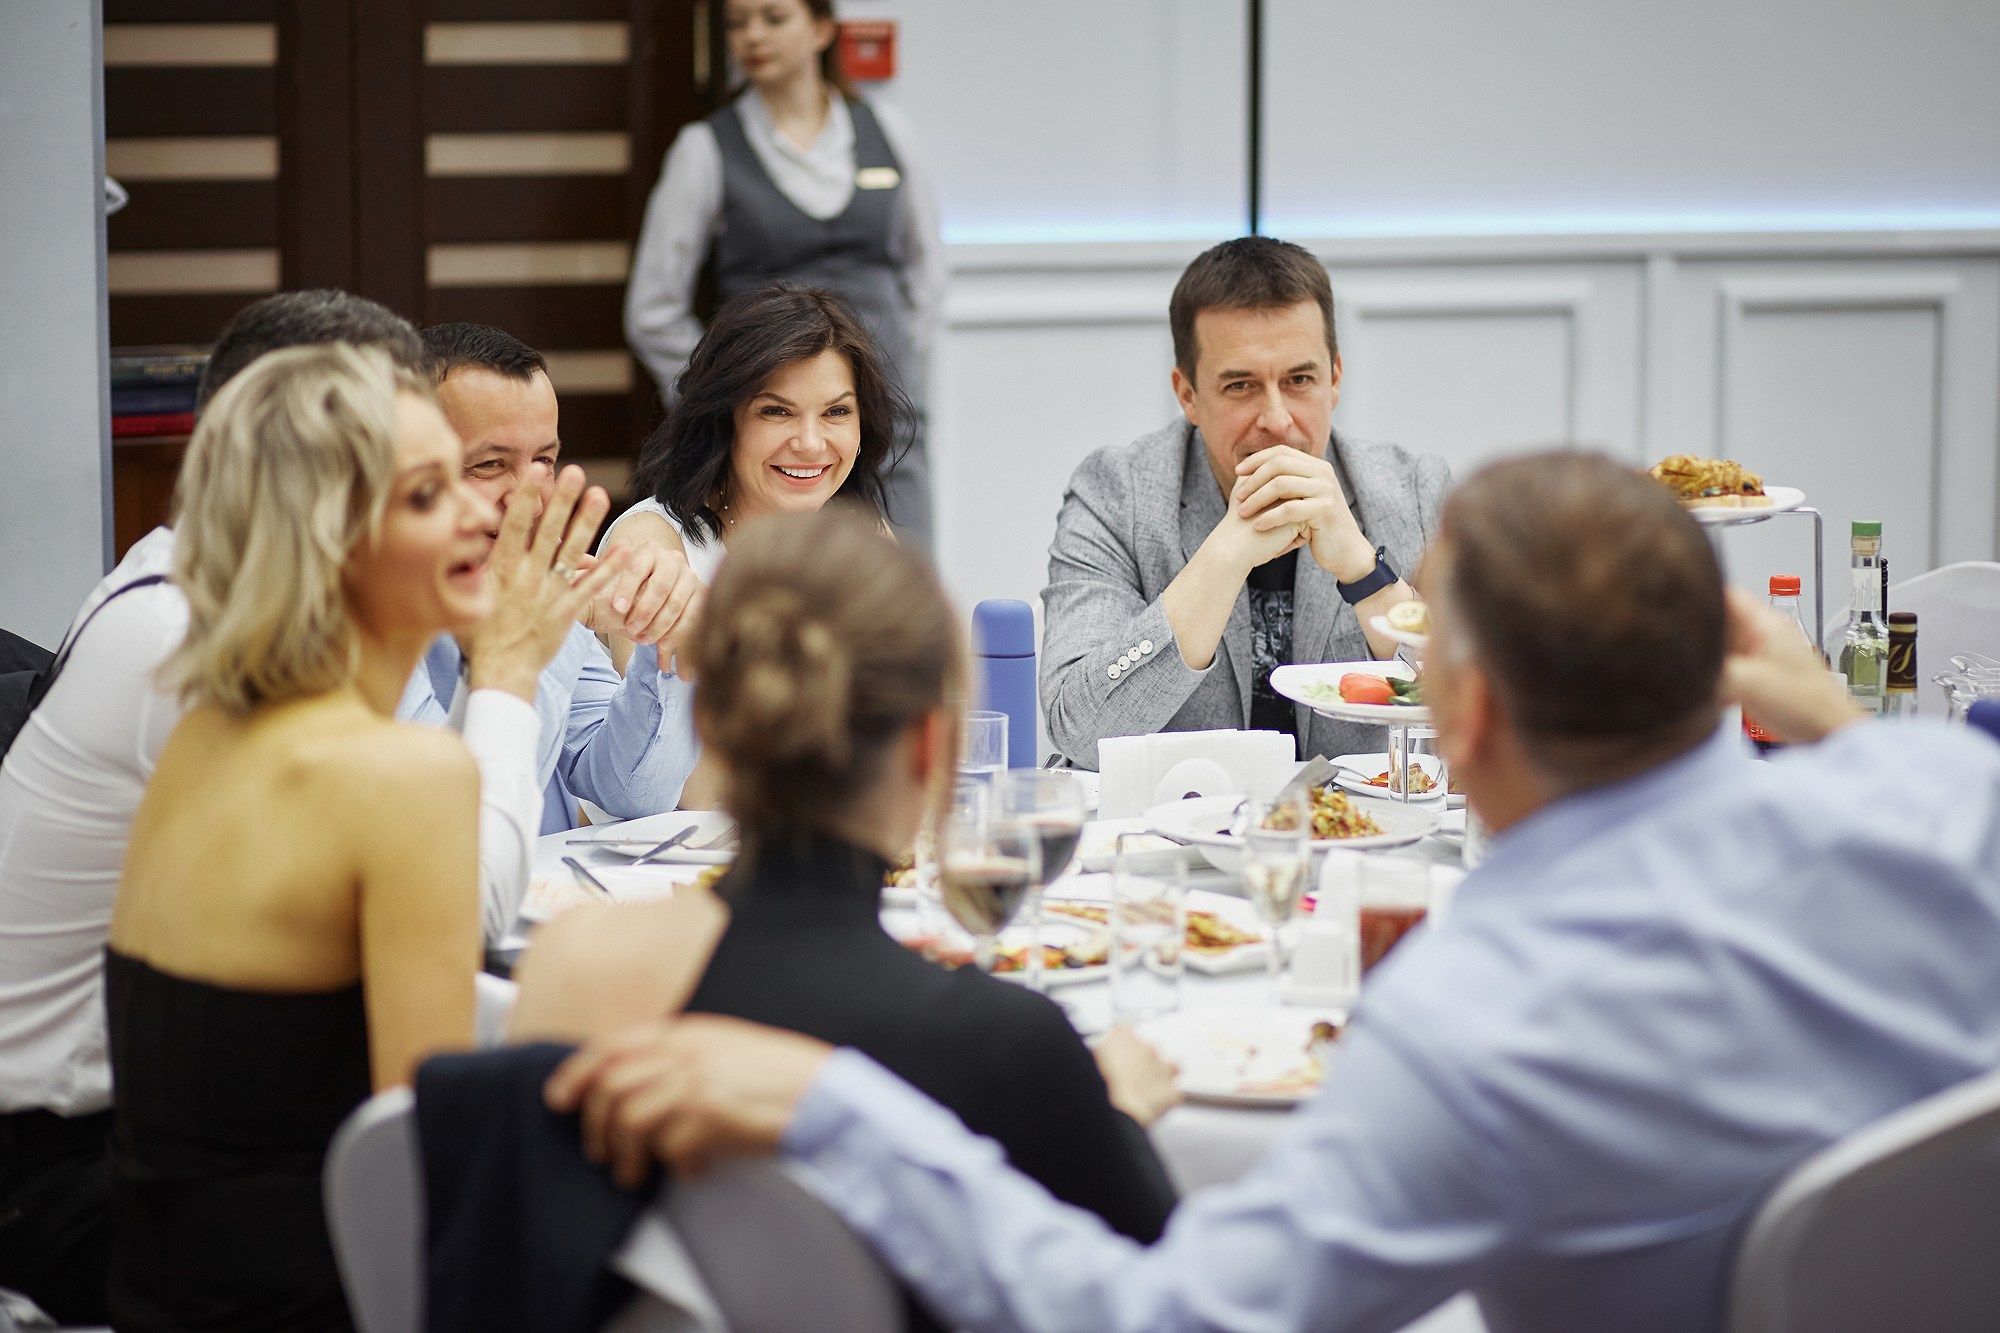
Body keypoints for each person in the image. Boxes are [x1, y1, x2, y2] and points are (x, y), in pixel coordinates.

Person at [547, 452, 2000, 1333]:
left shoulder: (1471, 1028)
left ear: (1465, 717)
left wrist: (835, 1107)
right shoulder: (1945, 809)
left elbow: (1168, 1321)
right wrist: (1846, 736)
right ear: (1729, 638)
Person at [514, 509, 1179, 1330]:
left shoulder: (576, 972)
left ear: (712, 723)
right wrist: (1114, 1119)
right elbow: (1171, 1305)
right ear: (934, 749)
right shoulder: (1013, 1046)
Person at [105, 345, 611, 1331]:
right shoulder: (398, 776)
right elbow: (421, 1167)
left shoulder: (210, 730)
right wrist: (505, 662)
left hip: (168, 1289)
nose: (485, 513)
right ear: (325, 536)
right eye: (429, 495)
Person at [1041, 236, 1451, 769]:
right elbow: (1079, 732)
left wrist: (1366, 575)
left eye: (1300, 380)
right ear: (1187, 393)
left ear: (1335, 379)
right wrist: (1222, 557)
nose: (1277, 419)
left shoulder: (1414, 491)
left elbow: (1480, 711)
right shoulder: (1116, 495)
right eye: (1240, 386)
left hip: (1367, 836)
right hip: (1174, 837)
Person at [624, 0, 942, 550]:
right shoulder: (704, 149)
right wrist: (722, 390)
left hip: (887, 415)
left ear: (821, 29)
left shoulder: (886, 129)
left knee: (897, 597)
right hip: (774, 433)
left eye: (772, 18)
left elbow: (925, 272)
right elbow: (653, 309)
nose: (752, 37)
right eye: (738, 23)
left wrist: (893, 370)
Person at [406, 322, 704, 840]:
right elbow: (460, 832)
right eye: (489, 464)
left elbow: (634, 796)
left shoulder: (532, 571)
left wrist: (663, 638)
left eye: (544, 460)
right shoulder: (361, 615)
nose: (531, 495)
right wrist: (538, 627)